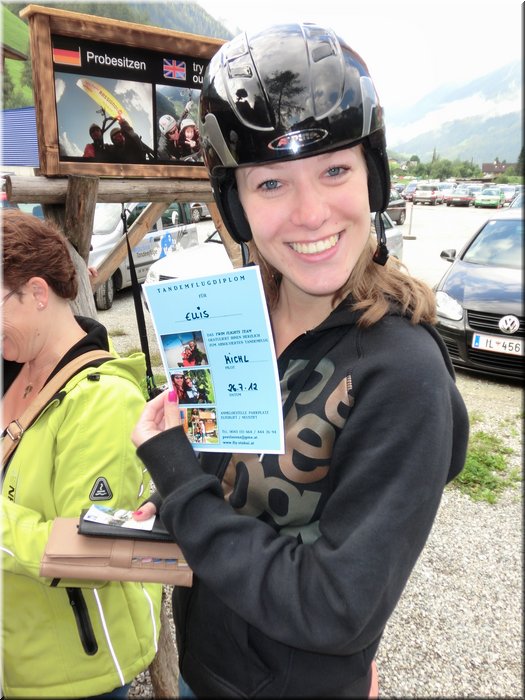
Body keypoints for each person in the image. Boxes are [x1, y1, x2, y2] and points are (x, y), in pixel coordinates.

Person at [131, 23, 469, 699]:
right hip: (204, 670)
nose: (311, 214)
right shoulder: (230, 317)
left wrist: (178, 481)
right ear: (235, 206)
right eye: (270, 184)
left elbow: (335, 607)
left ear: (373, 176)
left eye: (334, 170)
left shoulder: (404, 374)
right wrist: (173, 492)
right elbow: (223, 476)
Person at [1, 209, 162, 699]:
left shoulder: (102, 400)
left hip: (74, 671)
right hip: (19, 651)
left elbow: (90, 552)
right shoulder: (15, 366)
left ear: (37, 293)